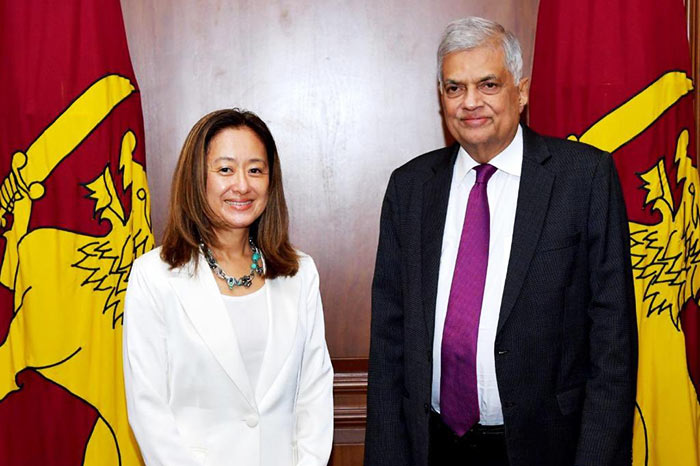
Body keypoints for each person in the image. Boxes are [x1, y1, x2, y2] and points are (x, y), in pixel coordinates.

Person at [364, 17, 637, 466]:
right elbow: (389, 343)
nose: (471, 103)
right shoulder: (409, 189)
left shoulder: (583, 179)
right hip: (432, 445)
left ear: (522, 90)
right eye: (454, 88)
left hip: (546, 447)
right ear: (441, 97)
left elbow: (614, 349)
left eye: (488, 84)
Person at [123, 109, 333, 466]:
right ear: (196, 178)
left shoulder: (300, 273)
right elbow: (148, 409)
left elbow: (313, 393)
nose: (242, 185)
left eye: (255, 169)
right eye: (225, 169)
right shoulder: (154, 277)